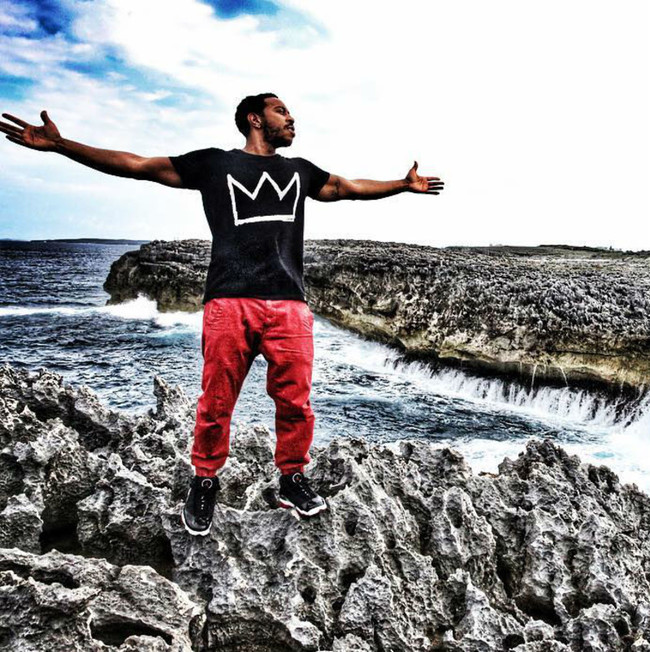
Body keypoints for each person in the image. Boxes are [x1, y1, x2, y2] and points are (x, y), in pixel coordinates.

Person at [0, 93, 444, 535]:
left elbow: (347, 188)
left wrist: (402, 185)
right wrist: (62, 146)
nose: (291, 118)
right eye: (281, 111)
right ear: (255, 119)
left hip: (289, 304)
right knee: (216, 403)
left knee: (296, 402)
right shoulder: (214, 164)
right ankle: (205, 480)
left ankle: (291, 478)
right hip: (229, 302)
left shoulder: (299, 170)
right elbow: (137, 165)